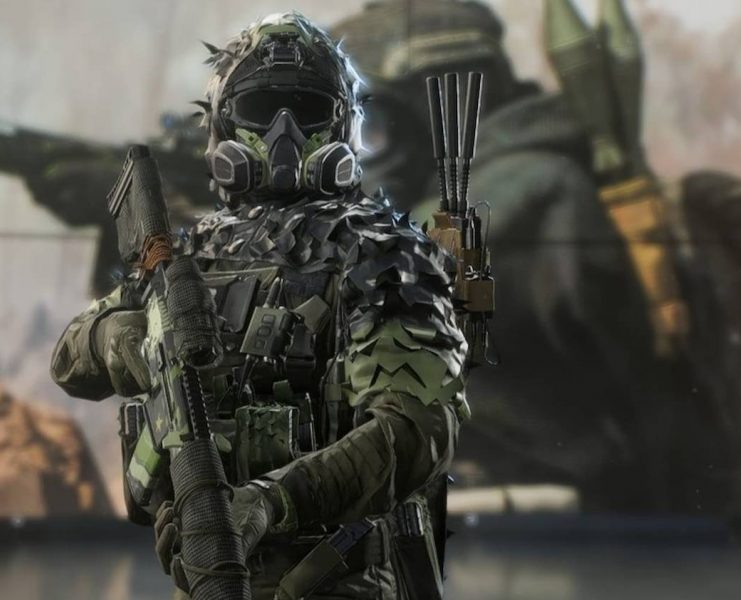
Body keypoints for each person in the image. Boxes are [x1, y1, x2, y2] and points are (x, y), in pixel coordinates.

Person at [334, 0, 741, 516]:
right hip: (597, 524)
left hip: (567, 529)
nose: (356, 151)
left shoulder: (515, 201)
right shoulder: (544, 180)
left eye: (370, 126)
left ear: (431, 107)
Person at [51, 12, 467, 599]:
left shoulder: (381, 250)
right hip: (211, 565)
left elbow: (415, 430)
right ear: (223, 122)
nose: (283, 132)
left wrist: (270, 502)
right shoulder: (193, 253)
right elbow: (70, 358)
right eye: (262, 108)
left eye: (307, 110)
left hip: (341, 577)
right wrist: (123, 338)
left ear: (343, 124)